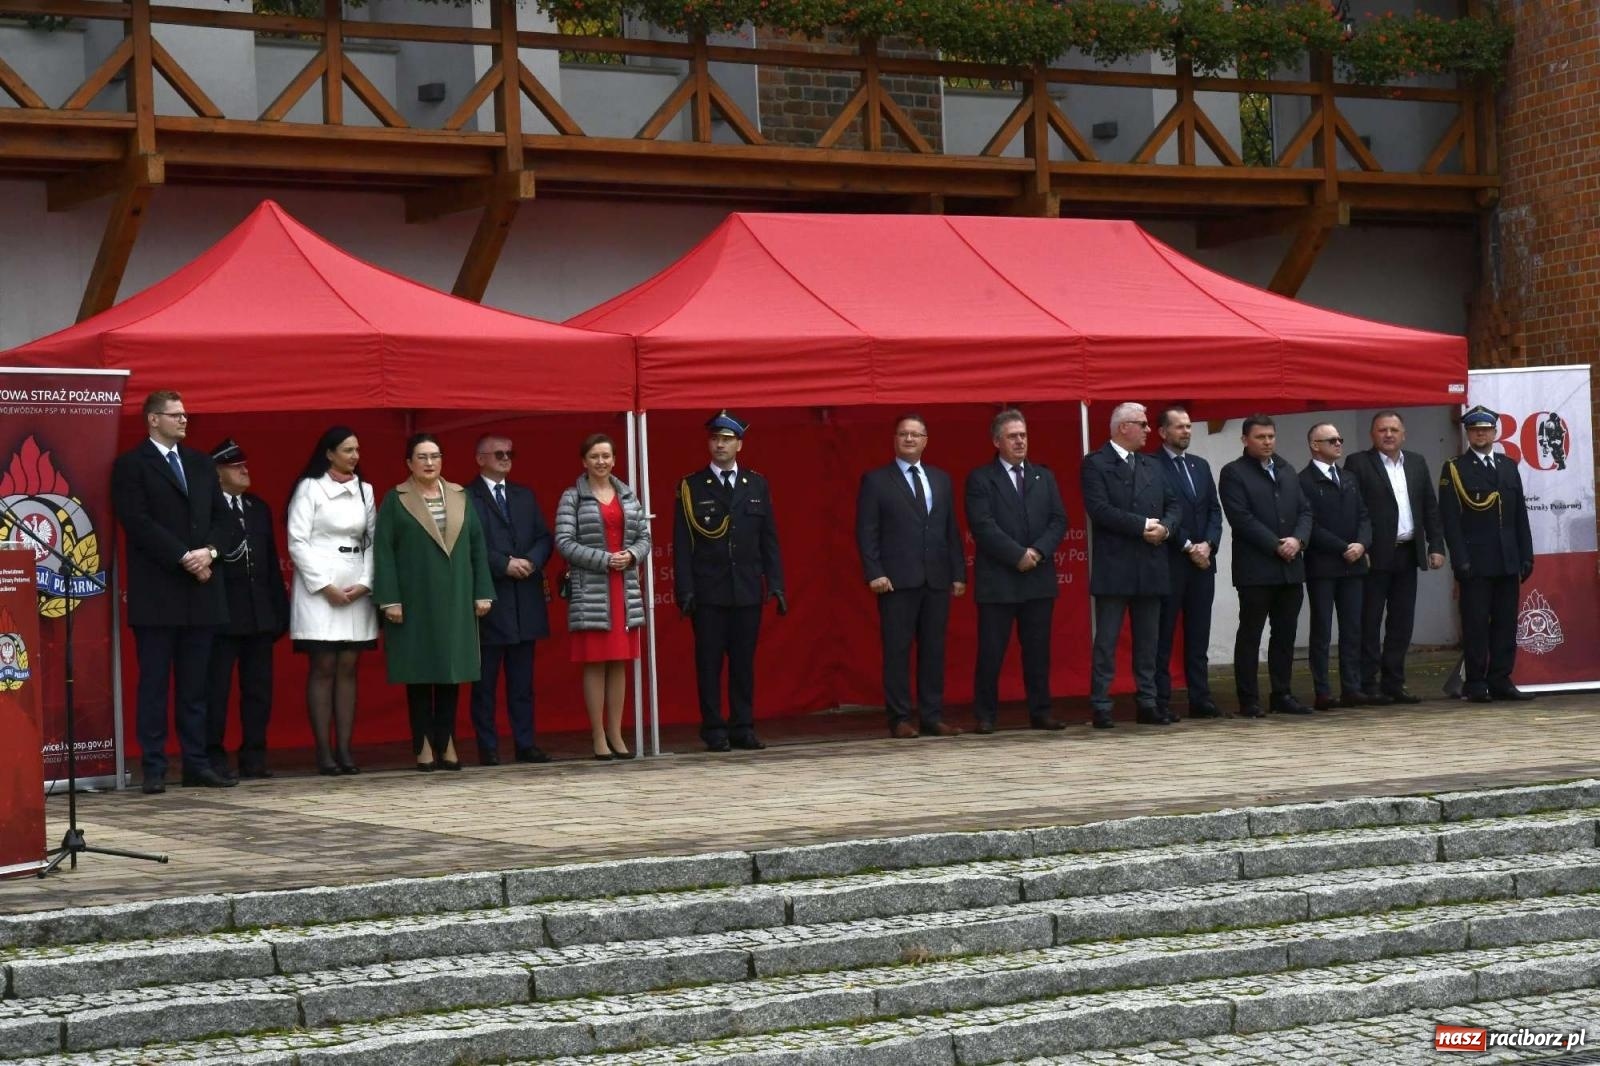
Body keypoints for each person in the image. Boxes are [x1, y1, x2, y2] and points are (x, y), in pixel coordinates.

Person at [111, 390, 242, 793]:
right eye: (176, 414)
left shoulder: (202, 464)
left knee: (196, 686)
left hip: (202, 592)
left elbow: (227, 520)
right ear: (153, 419)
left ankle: (196, 763)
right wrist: (184, 556)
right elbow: (137, 521)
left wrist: (210, 552)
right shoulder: (132, 465)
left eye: (186, 414)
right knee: (154, 684)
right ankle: (153, 766)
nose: (184, 420)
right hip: (158, 592)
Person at [372, 434, 494, 770]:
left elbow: (476, 547)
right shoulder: (395, 499)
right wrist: (390, 600)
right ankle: (423, 746)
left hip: (455, 598)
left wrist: (482, 591)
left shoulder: (459, 495)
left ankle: (448, 742)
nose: (430, 463)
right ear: (409, 463)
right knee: (420, 673)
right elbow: (383, 552)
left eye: (435, 456)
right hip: (414, 600)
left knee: (451, 673)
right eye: (422, 457)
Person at [674, 411, 786, 752]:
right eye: (715, 438)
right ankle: (714, 728)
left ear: (739, 443)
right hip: (709, 590)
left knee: (743, 663)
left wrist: (776, 584)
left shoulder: (756, 483)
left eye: (726, 439)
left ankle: (743, 726)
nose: (720, 444)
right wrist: (685, 590)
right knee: (709, 663)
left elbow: (769, 539)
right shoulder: (692, 486)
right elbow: (682, 544)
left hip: (747, 588)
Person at [854, 414, 967, 739]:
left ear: (926, 440)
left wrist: (958, 573)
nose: (909, 439)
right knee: (897, 650)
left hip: (936, 579)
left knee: (934, 650)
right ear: (895, 439)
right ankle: (900, 717)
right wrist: (874, 572)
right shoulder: (877, 480)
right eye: (903, 434)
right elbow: (867, 531)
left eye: (915, 435)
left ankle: (932, 715)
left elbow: (950, 530)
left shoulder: (941, 479)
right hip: (896, 580)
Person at [964, 407, 1069, 733]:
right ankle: (985, 715)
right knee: (992, 652)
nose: (1020, 441)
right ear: (997, 441)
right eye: (1013, 436)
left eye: (1023, 435)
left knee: (1038, 652)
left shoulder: (1043, 476)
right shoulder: (981, 478)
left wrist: (1036, 551)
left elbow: (1058, 520)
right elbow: (983, 526)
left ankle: (1041, 711)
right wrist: (1016, 555)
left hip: (1037, 578)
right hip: (999, 580)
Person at [1081, 403, 1180, 728]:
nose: (1149, 430)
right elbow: (1099, 508)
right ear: (1124, 427)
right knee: (1107, 640)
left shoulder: (1152, 465)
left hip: (1150, 563)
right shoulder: (1096, 464)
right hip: (1116, 564)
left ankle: (1147, 702)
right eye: (1143, 424)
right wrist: (1142, 526)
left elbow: (1173, 504)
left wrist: (1165, 528)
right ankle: (1101, 703)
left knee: (1148, 641)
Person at [286, 426, 377, 775]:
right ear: (329, 453)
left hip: (356, 582)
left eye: (357, 449)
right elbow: (297, 541)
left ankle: (345, 749)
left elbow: (373, 540)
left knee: (349, 667)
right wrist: (324, 586)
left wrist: (366, 583)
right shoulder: (310, 488)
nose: (354, 456)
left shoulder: (365, 490)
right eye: (347, 450)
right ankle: (324, 751)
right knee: (323, 666)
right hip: (319, 584)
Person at [556, 433, 650, 760]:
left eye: (606, 456)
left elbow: (644, 537)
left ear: (614, 459)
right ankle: (598, 735)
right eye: (594, 456)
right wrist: (604, 559)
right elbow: (564, 542)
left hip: (623, 588)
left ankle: (616, 733)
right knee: (595, 663)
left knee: (619, 663)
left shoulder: (627, 495)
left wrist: (632, 555)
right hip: (593, 588)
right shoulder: (573, 498)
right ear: (584, 461)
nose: (601, 462)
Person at [1344, 410, 1445, 704]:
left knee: (1402, 623)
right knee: (1370, 621)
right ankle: (1368, 683)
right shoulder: (1358, 463)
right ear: (1372, 435)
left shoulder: (1416, 462)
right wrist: (1361, 546)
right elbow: (1355, 510)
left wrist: (1436, 546)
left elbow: (1430, 507)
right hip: (1374, 556)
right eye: (1382, 430)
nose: (1388, 435)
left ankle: (1394, 683)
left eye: (1393, 430)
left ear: (1404, 434)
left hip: (1407, 553)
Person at [1218, 414, 1313, 718]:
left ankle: (1282, 693)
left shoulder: (1286, 469)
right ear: (1245, 440)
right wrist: (1276, 545)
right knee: (1251, 634)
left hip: (1291, 568)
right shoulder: (1233, 473)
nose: (1267, 442)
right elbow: (1241, 518)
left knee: (1285, 635)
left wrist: (1298, 540)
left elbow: (1305, 510)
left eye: (1271, 436)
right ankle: (1249, 699)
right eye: (1260, 437)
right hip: (1256, 569)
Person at [204, 438, 289, 780]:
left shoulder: (257, 508)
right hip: (223, 615)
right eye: (235, 466)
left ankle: (254, 755)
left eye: (244, 465)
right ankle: (213, 755)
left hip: (258, 614)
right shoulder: (208, 509)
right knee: (216, 691)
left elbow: (269, 562)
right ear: (217, 472)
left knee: (258, 691)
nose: (244, 470)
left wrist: (278, 611)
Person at [466, 435, 553, 766]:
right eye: (498, 453)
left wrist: (531, 560)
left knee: (522, 683)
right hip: (490, 600)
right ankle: (487, 746)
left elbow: (544, 537)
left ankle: (525, 743)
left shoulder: (524, 495)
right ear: (480, 459)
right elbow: (469, 545)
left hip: (525, 599)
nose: (505, 458)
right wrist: (504, 563)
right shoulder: (467, 497)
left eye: (510, 453)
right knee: (485, 683)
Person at [1439, 405, 1535, 703]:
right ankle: (1476, 682)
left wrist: (1526, 555)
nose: (1481, 434)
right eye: (1475, 430)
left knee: (1506, 623)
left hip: (1507, 558)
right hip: (1476, 560)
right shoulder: (1455, 467)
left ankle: (1501, 679)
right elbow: (1450, 520)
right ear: (1468, 433)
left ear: (1495, 432)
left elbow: (1520, 514)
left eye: (1486, 429)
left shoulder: (1508, 465)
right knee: (1476, 623)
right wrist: (1460, 560)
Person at [1153, 406, 1223, 721]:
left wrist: (1208, 544)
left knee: (1199, 634)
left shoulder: (1200, 465)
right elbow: (1160, 511)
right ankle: (1161, 699)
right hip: (1170, 561)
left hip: (1202, 563)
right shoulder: (1152, 465)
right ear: (1162, 432)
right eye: (1179, 427)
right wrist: (1186, 545)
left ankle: (1201, 697)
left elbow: (1213, 510)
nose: (1186, 432)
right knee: (1163, 634)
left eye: (1189, 427)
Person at [1299, 423, 1371, 711]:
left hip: (1353, 565)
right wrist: (1343, 547)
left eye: (1340, 439)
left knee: (1353, 628)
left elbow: (1365, 516)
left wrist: (1362, 544)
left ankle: (1352, 687)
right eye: (1331, 440)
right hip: (1323, 565)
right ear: (1315, 445)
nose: (1339, 444)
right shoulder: (1303, 480)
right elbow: (1309, 524)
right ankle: (1323, 690)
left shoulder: (1348, 477)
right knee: (1322, 629)